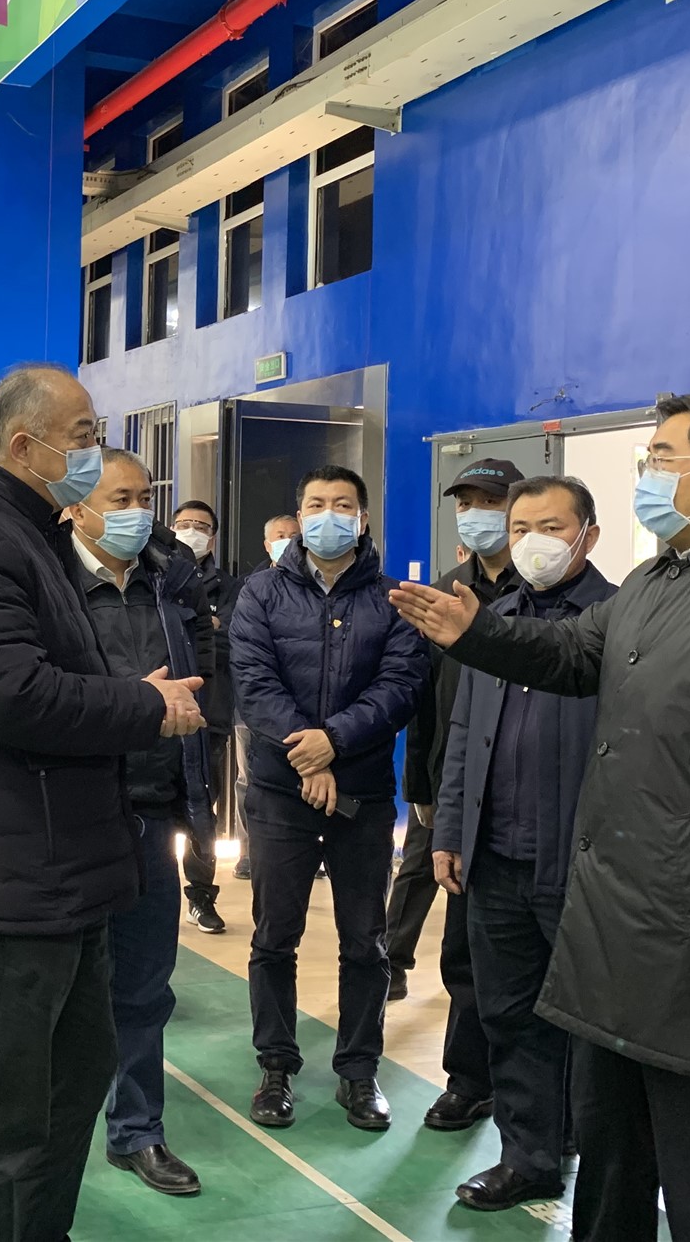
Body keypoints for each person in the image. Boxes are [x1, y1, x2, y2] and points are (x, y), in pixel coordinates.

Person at [392, 392, 690, 1242]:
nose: (647, 475)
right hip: (617, 940)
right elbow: (577, 653)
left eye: (661, 459)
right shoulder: (659, 580)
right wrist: (475, 633)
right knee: (611, 1166)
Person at [0, 364, 203, 1242]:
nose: (94, 450)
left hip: (66, 868)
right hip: (17, 878)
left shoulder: (28, 531)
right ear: (24, 445)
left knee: (68, 1089)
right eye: (82, 436)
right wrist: (144, 705)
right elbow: (16, 696)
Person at [434, 474, 614, 1212]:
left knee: (588, 1026)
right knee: (508, 1015)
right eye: (520, 529)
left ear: (589, 535)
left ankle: (596, 1161)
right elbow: (464, 734)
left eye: (551, 526)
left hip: (581, 865)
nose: (532, 541)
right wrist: (450, 829)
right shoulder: (491, 622)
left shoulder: (615, 624)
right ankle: (529, 1157)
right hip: (496, 858)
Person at [229, 465, 427, 1133]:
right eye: (316, 504)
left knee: (365, 940)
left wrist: (333, 742)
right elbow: (252, 682)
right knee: (273, 936)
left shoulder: (393, 600)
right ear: (300, 514)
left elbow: (401, 686)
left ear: (363, 519)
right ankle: (275, 1066)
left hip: (362, 794)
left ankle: (359, 1071)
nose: (329, 515)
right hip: (280, 792)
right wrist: (307, 753)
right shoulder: (261, 593)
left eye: (343, 505)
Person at [71, 451, 215, 1197]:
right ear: (76, 508)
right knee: (64, 987)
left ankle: (137, 1131)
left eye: (143, 497)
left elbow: (204, 666)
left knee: (144, 985)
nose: (136, 512)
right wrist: (132, 701)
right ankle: (53, 1131)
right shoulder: (51, 586)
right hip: (73, 818)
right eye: (118, 499)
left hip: (155, 810)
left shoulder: (169, 583)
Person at [394, 456, 522, 1137]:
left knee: (530, 955)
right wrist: (420, 787)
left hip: (529, 793)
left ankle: (539, 1097)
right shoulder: (443, 593)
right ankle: (469, 1082)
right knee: (464, 947)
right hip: (457, 789)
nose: (475, 515)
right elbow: (425, 700)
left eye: (489, 502)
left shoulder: (548, 594)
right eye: (465, 503)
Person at [231, 513, 300, 883]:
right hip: (252, 708)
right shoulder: (250, 587)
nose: (287, 540)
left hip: (301, 708)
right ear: (266, 544)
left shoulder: (312, 587)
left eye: (293, 534)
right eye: (280, 535)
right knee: (249, 779)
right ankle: (247, 850)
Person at [172, 498, 230, 933]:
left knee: (202, 812)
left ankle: (201, 895)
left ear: (211, 538)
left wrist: (205, 630)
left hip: (208, 715)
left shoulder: (231, 589)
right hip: (153, 712)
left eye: (201, 525)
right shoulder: (156, 578)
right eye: (184, 523)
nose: (191, 530)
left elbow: (235, 643)